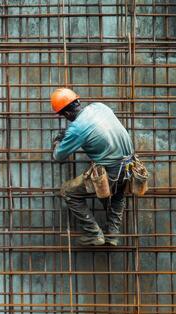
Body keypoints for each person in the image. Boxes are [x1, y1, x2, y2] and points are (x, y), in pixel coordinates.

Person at [51, 88, 134, 246]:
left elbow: (58, 156)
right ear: (78, 101)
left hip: (112, 172)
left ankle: (93, 233)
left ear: (67, 114)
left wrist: (58, 141)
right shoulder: (99, 106)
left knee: (68, 191)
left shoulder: (76, 129)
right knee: (118, 193)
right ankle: (112, 234)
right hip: (131, 168)